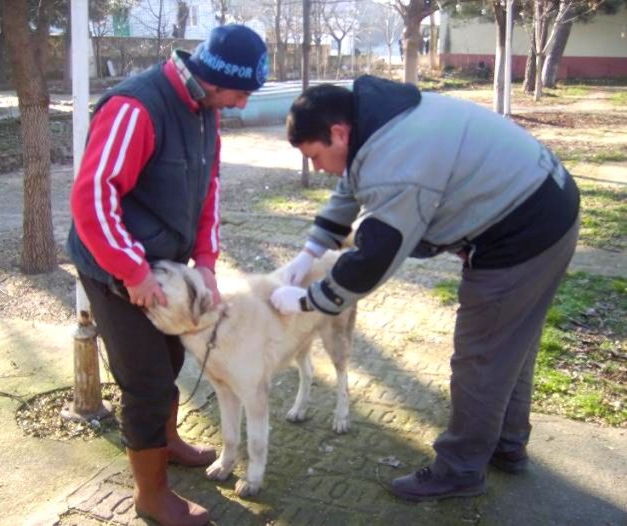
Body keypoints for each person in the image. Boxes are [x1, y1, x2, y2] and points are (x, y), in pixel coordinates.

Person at [269, 76, 580, 502]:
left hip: (524, 233)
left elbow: (375, 258)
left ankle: (460, 471)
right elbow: (350, 186)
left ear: (338, 132)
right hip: (547, 200)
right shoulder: (376, 121)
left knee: (481, 358)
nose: (318, 168)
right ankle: (507, 444)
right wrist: (309, 251)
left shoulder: (397, 166)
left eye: (316, 156)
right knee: (511, 342)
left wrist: (307, 300)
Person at [67, 25, 268, 525]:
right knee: (146, 382)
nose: (242, 105)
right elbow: (92, 199)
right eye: (241, 93)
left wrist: (205, 262)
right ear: (216, 79)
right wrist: (132, 273)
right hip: (116, 271)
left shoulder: (206, 112)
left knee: (172, 357)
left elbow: (208, 190)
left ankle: (169, 441)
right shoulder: (136, 108)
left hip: (170, 268)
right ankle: (151, 494)